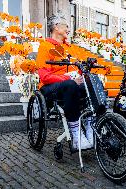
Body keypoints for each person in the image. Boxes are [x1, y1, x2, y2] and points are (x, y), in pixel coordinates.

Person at [36, 14, 93, 149]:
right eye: (66, 26)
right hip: (50, 88)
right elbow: (44, 76)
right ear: (56, 27)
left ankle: (91, 128)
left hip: (70, 85)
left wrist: (83, 72)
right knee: (70, 84)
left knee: (92, 82)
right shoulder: (45, 46)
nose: (69, 29)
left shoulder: (70, 48)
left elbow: (78, 69)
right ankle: (76, 135)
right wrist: (68, 78)